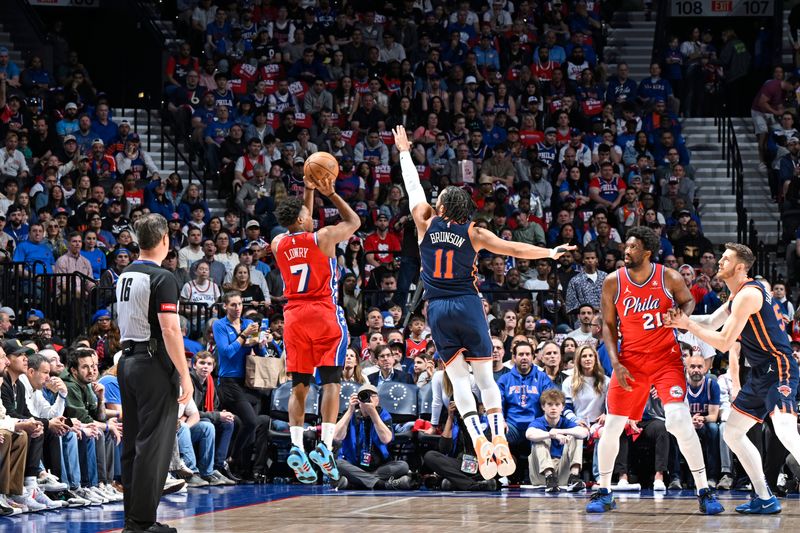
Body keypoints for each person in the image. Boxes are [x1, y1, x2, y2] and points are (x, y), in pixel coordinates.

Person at [393, 125, 575, 480]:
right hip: (468, 303)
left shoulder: (424, 222)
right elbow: (514, 249)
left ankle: (478, 440)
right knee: (486, 378)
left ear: (442, 205)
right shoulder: (475, 232)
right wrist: (550, 252)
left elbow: (413, 185)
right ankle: (499, 437)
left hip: (439, 309)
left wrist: (404, 151)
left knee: (458, 381)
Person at [585, 226, 723, 515]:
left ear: (646, 252)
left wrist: (681, 315)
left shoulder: (668, 276)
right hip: (631, 361)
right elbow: (609, 327)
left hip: (665, 358)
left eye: (633, 247)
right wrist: (617, 363)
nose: (626, 250)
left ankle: (703, 490)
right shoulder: (613, 282)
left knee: (679, 421)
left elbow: (688, 300)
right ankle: (603, 490)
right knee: (611, 427)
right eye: (626, 245)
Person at [665, 242, 800, 514]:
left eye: (725, 259)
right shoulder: (737, 294)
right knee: (732, 432)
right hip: (762, 373)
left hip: (780, 367)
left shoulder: (748, 294)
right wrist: (678, 321)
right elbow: (713, 321)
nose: (719, 263)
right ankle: (764, 497)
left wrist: (687, 325)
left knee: (785, 428)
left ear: (740, 266)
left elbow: (725, 342)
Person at [271, 170, 360, 484]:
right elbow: (354, 223)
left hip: (294, 317)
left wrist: (307, 191)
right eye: (308, 213)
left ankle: (296, 446)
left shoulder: (278, 243)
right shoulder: (323, 238)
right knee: (332, 382)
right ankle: (324, 445)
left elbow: (300, 225)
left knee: (300, 385)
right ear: (302, 219)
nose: (312, 215)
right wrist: (330, 192)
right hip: (323, 313)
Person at [116, 214, 192, 533]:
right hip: (153, 362)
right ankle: (143, 523)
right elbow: (171, 330)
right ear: (164, 240)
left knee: (134, 443)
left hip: (128, 360)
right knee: (153, 444)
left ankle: (134, 519)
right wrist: (184, 374)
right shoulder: (164, 277)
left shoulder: (124, 274)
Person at [331, 384, 414, 490]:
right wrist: (350, 410)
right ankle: (381, 484)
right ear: (358, 399)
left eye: (371, 396)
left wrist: (373, 413)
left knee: (403, 466)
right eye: (364, 396)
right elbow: (336, 437)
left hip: (378, 467)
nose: (367, 399)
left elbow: (386, 439)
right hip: (353, 465)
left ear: (377, 400)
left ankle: (356, 483)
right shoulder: (350, 414)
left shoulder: (383, 414)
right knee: (337, 464)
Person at [525, 388, 588, 492]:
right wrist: (551, 434)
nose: (553, 408)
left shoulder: (566, 422)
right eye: (550, 404)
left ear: (562, 407)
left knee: (577, 435)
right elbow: (529, 434)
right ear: (543, 407)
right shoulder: (538, 422)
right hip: (541, 474)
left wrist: (559, 431)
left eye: (557, 405)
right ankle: (549, 477)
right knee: (540, 438)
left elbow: (584, 433)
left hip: (563, 471)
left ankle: (574, 478)